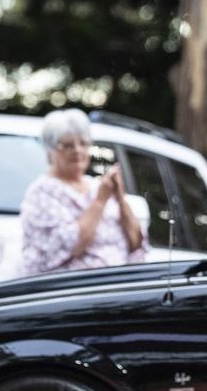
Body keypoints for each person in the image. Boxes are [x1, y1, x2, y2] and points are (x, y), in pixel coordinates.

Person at [21, 109, 148, 275]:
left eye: (83, 143)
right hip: (73, 290)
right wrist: (100, 202)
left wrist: (120, 198)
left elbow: (136, 242)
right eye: (67, 145)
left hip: (120, 285)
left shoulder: (97, 186)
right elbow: (73, 244)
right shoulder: (41, 192)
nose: (77, 150)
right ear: (49, 152)